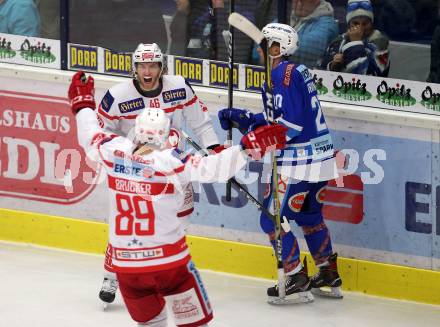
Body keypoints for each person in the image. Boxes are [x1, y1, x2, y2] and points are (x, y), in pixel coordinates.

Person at [67, 70, 287, 326]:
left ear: (137, 131)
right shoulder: (171, 162)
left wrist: (83, 105)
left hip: (127, 270)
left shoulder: (112, 151)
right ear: (164, 135)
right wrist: (246, 150)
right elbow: (212, 168)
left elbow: (89, 133)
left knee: (151, 324)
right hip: (168, 265)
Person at [218, 23, 342, 303]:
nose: (257, 49)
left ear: (276, 48)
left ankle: (296, 275)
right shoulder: (294, 72)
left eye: (263, 44)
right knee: (309, 216)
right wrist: (248, 119)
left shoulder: (280, 74)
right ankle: (327, 271)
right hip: (321, 158)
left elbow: (291, 125)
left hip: (298, 163)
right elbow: (283, 117)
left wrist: (254, 139)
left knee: (272, 218)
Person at [96, 42, 226, 307]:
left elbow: (199, 120)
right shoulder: (117, 95)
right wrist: (122, 152)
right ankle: (112, 275)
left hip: (172, 167)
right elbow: (102, 131)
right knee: (129, 221)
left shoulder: (178, 86)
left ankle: (166, 272)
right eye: (142, 65)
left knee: (179, 219)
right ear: (135, 69)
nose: (147, 70)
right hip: (135, 170)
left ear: (161, 67)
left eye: (153, 65)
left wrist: (214, 147)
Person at [320, 0, 390, 77]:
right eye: (356, 23)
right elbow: (321, 72)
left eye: (365, 23)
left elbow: (368, 76)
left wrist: (356, 43)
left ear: (371, 24)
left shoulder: (381, 45)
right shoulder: (337, 42)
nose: (361, 28)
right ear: (349, 25)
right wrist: (333, 66)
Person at [289, 0, 338, 68]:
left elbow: (310, 48)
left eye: (303, 1)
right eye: (295, 0)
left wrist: (277, 42)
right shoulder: (287, 18)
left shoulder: (328, 24)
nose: (299, 4)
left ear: (316, 1)